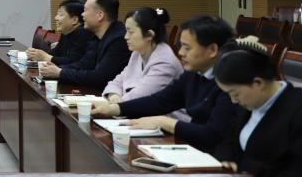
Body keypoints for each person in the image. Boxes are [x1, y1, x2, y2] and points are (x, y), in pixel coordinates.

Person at [92, 14, 235, 154]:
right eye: (181, 46)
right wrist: (114, 109)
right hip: (194, 149)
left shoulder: (230, 82)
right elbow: (160, 101)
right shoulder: (193, 74)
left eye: (187, 48)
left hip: (216, 157)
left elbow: (212, 134)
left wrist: (163, 122)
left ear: (212, 50)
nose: (180, 53)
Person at [213, 40, 302, 177]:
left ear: (258, 83)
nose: (233, 101)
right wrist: (227, 158)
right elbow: (231, 138)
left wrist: (245, 170)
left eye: (235, 93)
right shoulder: (250, 103)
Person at [40, 0, 130, 89]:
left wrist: (60, 73)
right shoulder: (97, 35)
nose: (82, 15)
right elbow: (85, 64)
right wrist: (57, 69)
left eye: (85, 10)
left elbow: (99, 78)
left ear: (100, 15)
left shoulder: (118, 40)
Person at [103, 6, 184, 103]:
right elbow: (117, 82)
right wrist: (113, 95)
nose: (125, 37)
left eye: (130, 32)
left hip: (159, 113)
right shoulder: (137, 53)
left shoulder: (165, 64)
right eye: (126, 31)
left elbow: (139, 99)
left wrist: (117, 103)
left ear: (149, 35)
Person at [26, 0, 95, 65]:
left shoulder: (83, 33)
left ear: (74, 20)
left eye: (61, 15)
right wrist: (36, 54)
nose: (56, 18)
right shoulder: (66, 32)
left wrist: (45, 57)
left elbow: (73, 61)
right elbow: (56, 52)